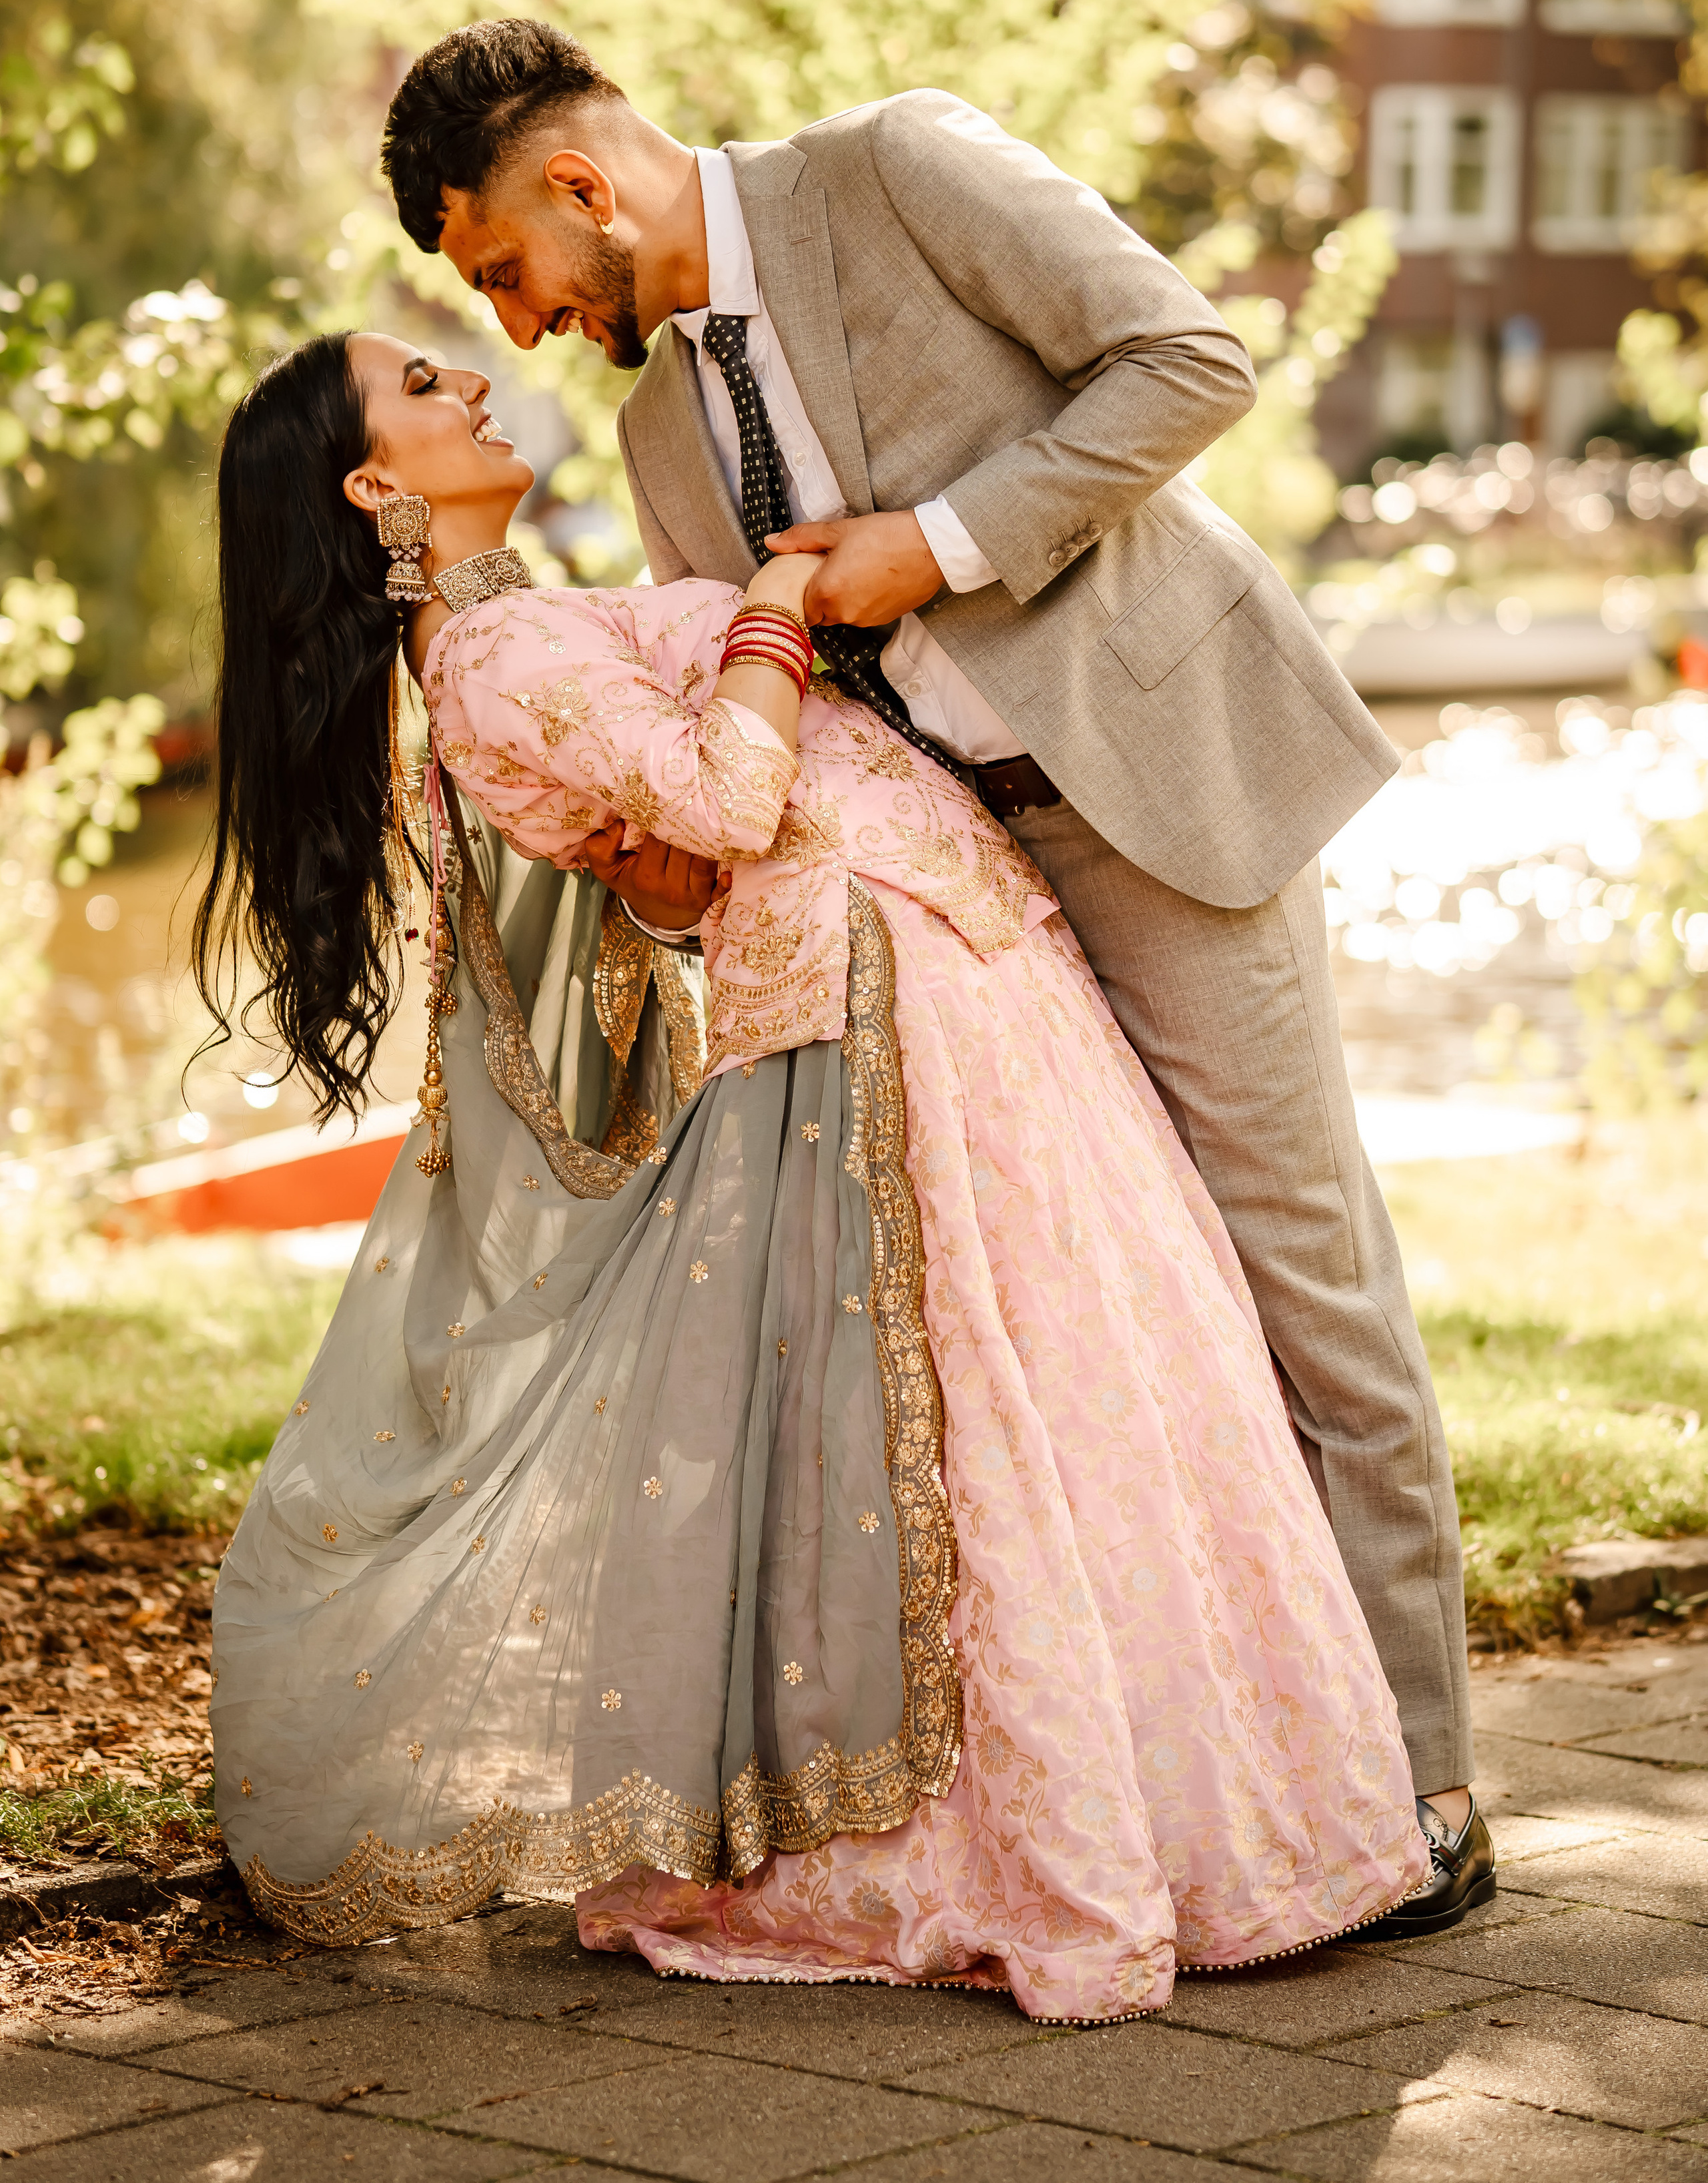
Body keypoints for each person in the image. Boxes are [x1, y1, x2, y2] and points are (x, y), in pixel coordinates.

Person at [376, 19, 1492, 1932]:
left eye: (503, 273)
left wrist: (937, 546)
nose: (526, 325)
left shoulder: (899, 163)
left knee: (1304, 1280)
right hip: (975, 925)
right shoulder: (663, 440)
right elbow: (760, 722)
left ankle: (1424, 1788)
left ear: (576, 186)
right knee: (1153, 1328)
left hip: (1158, 797)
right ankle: (1245, 1781)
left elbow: (1189, 359)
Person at [200, 330, 1433, 2021]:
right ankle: (1044, 1840)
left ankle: (1196, 1807)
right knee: (989, 1408)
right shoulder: (480, 658)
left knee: (1080, 1374)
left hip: (932, 941)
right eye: (422, 383)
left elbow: (671, 860)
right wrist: (782, 603)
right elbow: (725, 789)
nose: (472, 375)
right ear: (369, 487)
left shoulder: (510, 623)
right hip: (877, 976)